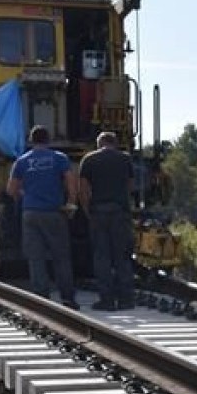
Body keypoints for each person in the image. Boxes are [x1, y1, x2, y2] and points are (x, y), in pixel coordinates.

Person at [7, 126, 80, 309]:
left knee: (36, 257)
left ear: (31, 141)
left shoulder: (22, 161)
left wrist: (25, 195)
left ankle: (41, 298)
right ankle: (67, 297)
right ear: (48, 140)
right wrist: (71, 202)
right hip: (54, 212)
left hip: (30, 213)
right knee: (61, 256)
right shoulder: (59, 158)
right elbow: (71, 182)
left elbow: (11, 189)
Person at [79, 131, 135, 310]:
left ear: (99, 143)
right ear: (115, 143)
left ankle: (107, 300)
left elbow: (84, 189)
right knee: (122, 256)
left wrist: (88, 210)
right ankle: (126, 299)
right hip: (120, 212)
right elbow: (129, 186)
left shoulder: (89, 159)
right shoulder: (125, 159)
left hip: (98, 212)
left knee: (102, 257)